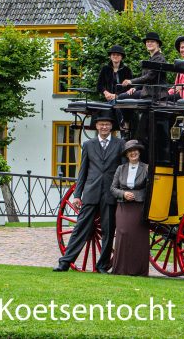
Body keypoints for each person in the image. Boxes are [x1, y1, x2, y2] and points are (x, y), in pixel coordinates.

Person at [54, 112, 125, 273]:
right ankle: (65, 262)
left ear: (111, 126)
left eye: (107, 124)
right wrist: (77, 194)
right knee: (80, 228)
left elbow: (122, 170)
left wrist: (122, 192)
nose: (104, 127)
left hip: (110, 193)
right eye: (101, 124)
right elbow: (83, 171)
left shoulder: (120, 144)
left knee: (108, 230)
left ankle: (102, 265)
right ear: (97, 127)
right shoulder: (88, 145)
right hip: (91, 192)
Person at [109, 139, 150, 276]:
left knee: (138, 237)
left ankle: (138, 270)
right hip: (123, 207)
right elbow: (113, 188)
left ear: (139, 152)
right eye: (130, 151)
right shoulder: (121, 169)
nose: (133, 153)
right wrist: (123, 194)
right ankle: (120, 269)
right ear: (127, 155)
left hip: (139, 207)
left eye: (135, 150)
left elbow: (150, 188)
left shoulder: (146, 168)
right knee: (123, 233)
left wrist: (137, 195)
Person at [123, 31, 166, 99]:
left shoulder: (159, 59)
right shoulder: (151, 59)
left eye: (152, 41)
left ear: (157, 44)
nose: (149, 43)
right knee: (124, 96)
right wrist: (135, 88)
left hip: (155, 94)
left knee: (121, 97)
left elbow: (149, 76)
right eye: (147, 42)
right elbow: (144, 78)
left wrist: (131, 81)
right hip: (148, 92)